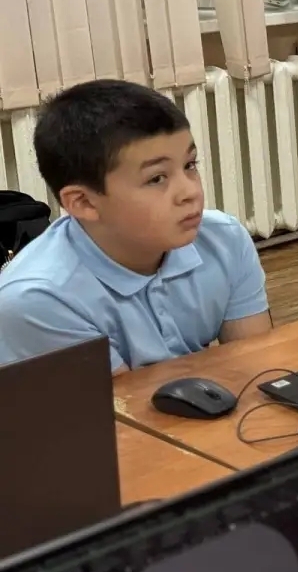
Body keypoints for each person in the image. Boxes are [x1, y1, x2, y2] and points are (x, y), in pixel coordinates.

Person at [0, 80, 271, 371]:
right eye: (156, 178)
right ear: (83, 202)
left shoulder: (224, 239)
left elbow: (260, 366)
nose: (191, 192)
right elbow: (123, 399)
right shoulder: (38, 299)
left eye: (190, 165)